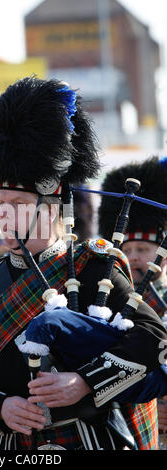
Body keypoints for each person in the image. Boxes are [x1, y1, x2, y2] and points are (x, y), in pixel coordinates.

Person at [0, 77, 167, 450]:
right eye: (0, 205)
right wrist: (2, 407)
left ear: (51, 204)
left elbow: (153, 340)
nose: (4, 217)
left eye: (17, 205)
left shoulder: (95, 267)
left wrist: (85, 382)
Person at [98, 156, 167, 447]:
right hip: (133, 417)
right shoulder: (109, 302)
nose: (135, 256)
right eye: (128, 248)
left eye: (143, 248)